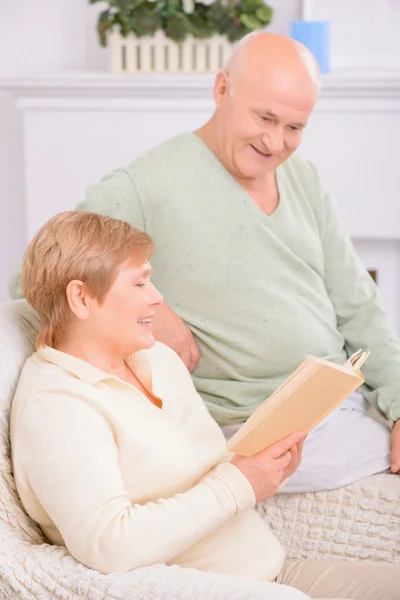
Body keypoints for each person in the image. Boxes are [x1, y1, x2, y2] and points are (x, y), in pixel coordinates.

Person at [9, 32, 400, 492]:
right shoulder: (146, 186)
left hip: (339, 402)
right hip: (252, 425)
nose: (276, 143)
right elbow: (36, 281)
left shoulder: (304, 177)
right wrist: (152, 313)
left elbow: (359, 304)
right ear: (221, 89)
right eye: (265, 118)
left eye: (294, 128)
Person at [10, 211, 399, 600]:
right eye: (140, 283)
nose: (157, 298)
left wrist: (267, 468)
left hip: (275, 572)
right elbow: (110, 545)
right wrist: (239, 484)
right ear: (81, 297)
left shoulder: (159, 360)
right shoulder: (57, 407)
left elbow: (209, 473)